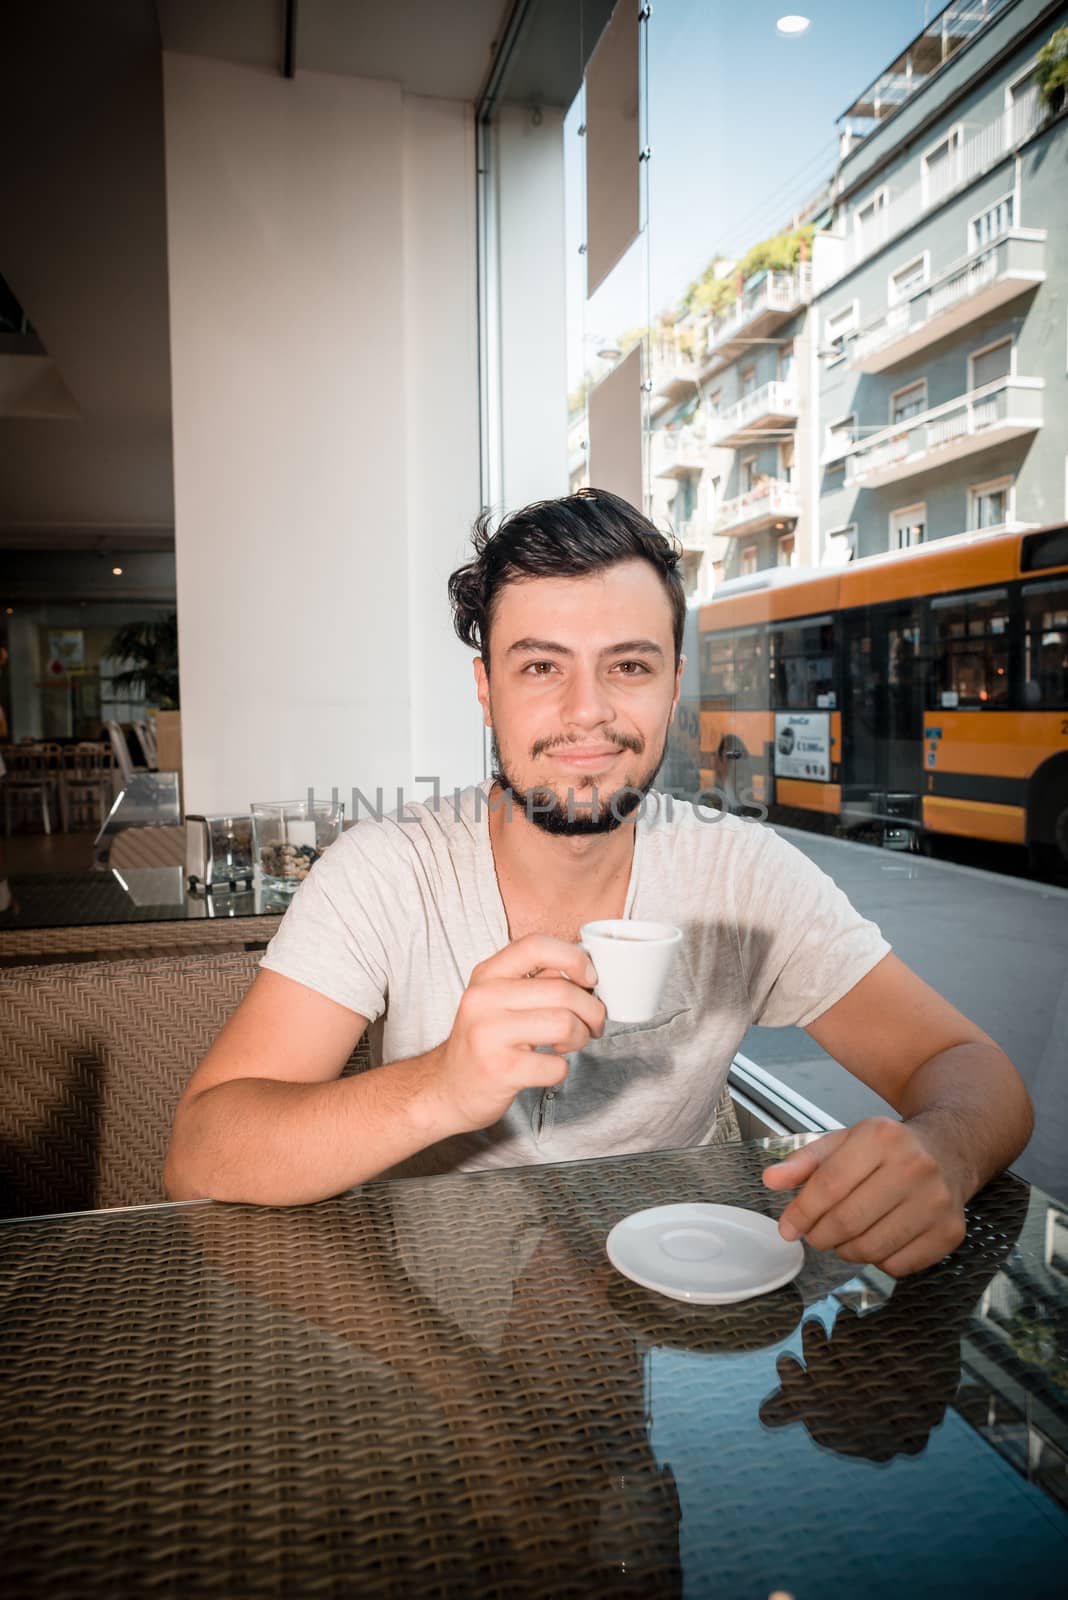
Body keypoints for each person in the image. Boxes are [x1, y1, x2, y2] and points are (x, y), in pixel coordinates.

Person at [164, 490, 1034, 1276]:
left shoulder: (743, 871)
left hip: (691, 1308)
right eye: (541, 666)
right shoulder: (388, 869)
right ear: (486, 688)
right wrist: (441, 1086)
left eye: (629, 665)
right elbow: (204, 1150)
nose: (587, 711)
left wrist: (942, 1157)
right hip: (434, 1315)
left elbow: (968, 1069)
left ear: (673, 686)